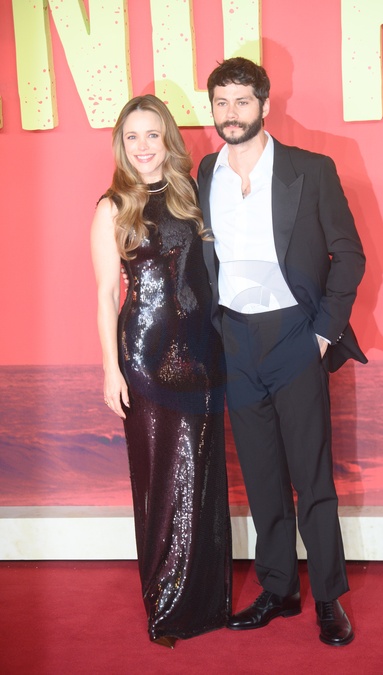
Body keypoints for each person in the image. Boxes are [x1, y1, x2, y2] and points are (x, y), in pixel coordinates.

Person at [197, 57, 367, 646]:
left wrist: (322, 333)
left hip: (295, 334)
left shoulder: (310, 170)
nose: (231, 113)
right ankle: (279, 589)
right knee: (262, 475)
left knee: (311, 476)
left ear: (265, 106)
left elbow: (349, 255)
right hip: (235, 340)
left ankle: (329, 597)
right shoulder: (206, 172)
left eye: (242, 101)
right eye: (221, 102)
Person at [90, 94, 232, 648]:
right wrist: (111, 369)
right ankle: (165, 604)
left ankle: (206, 602)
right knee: (158, 478)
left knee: (201, 474)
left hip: (202, 356)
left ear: (167, 138)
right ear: (121, 146)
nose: (143, 146)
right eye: (133, 137)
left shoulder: (191, 195)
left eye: (152, 134)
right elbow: (107, 294)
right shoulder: (112, 206)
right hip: (145, 360)